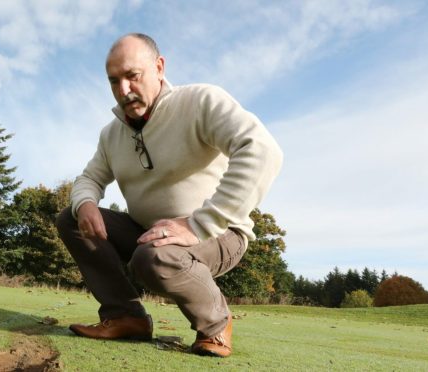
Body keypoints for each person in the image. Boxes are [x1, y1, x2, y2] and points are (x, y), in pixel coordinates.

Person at [56, 33, 283, 357]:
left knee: (153, 256)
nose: (124, 90)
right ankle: (126, 316)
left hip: (219, 233)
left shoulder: (200, 101)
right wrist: (86, 203)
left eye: (133, 76)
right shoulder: (111, 135)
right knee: (72, 218)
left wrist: (198, 225)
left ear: (159, 68)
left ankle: (216, 326)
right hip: (149, 231)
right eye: (114, 81)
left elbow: (262, 149)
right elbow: (89, 177)